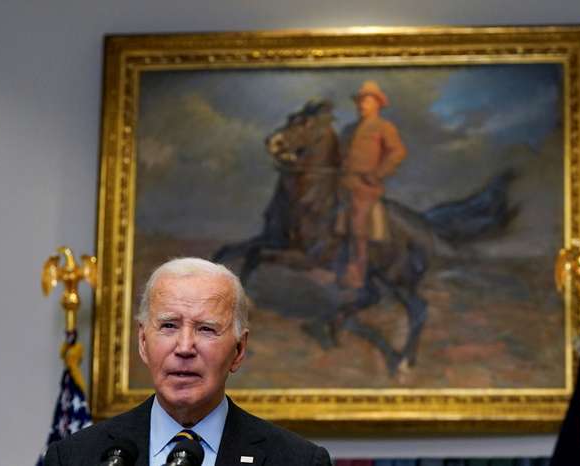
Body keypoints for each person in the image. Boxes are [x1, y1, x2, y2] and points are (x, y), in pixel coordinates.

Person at [44, 258, 331, 466]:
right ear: (143, 343)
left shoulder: (299, 461)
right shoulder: (75, 458)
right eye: (168, 326)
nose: (184, 347)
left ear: (239, 350)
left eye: (206, 329)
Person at [338, 80, 407, 289]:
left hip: (366, 186)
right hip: (343, 183)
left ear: (378, 103)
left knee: (358, 224)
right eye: (360, 101)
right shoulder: (349, 129)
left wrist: (377, 174)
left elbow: (398, 152)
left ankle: (357, 272)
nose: (361, 105)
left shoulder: (384, 127)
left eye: (367, 101)